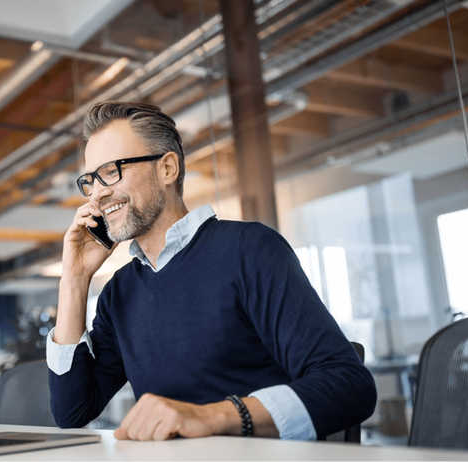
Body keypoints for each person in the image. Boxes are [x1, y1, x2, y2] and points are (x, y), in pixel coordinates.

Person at [47, 101, 376, 441]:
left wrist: (213, 417)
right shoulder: (120, 292)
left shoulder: (249, 250)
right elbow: (72, 412)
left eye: (112, 171)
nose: (98, 193)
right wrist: (74, 279)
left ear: (167, 169)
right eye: (90, 180)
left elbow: (349, 386)